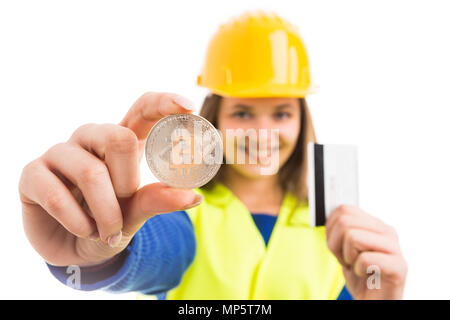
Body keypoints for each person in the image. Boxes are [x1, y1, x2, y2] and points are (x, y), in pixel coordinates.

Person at [18, 11, 407, 299]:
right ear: (213, 121)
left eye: (282, 113)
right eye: (242, 113)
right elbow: (155, 253)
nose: (262, 132)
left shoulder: (336, 229)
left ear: (303, 122)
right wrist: (97, 250)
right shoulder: (182, 211)